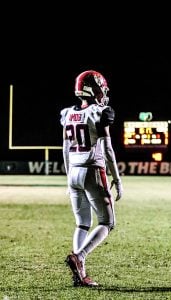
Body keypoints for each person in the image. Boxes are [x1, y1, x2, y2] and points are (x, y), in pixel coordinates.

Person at [60, 70, 123, 287]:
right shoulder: (100, 112)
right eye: (100, 88)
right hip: (92, 170)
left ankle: (80, 273)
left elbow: (65, 149)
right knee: (108, 222)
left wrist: (69, 178)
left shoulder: (67, 113)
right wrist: (118, 178)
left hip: (74, 172)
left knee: (83, 223)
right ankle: (81, 256)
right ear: (92, 89)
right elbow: (107, 149)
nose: (103, 92)